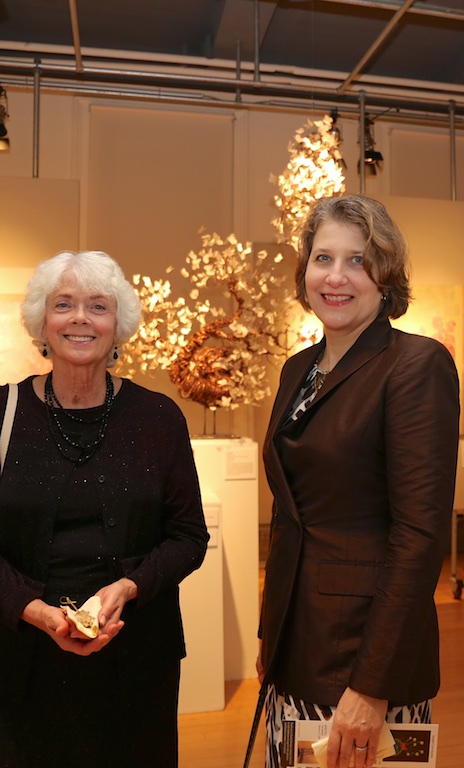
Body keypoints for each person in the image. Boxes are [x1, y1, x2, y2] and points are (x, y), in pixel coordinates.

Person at [0, 250, 209, 768]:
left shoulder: (158, 417)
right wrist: (33, 610)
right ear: (42, 322)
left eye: (98, 306)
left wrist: (128, 587)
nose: (80, 318)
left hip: (134, 665)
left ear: (118, 325)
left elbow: (188, 536)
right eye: (63, 304)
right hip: (16, 665)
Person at [258, 194, 460, 768]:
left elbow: (419, 536)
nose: (336, 277)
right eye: (323, 258)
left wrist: (372, 685)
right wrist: (272, 637)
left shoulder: (416, 365)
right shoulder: (298, 369)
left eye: (357, 260)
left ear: (385, 274)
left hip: (365, 657)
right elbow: (291, 513)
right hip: (296, 642)